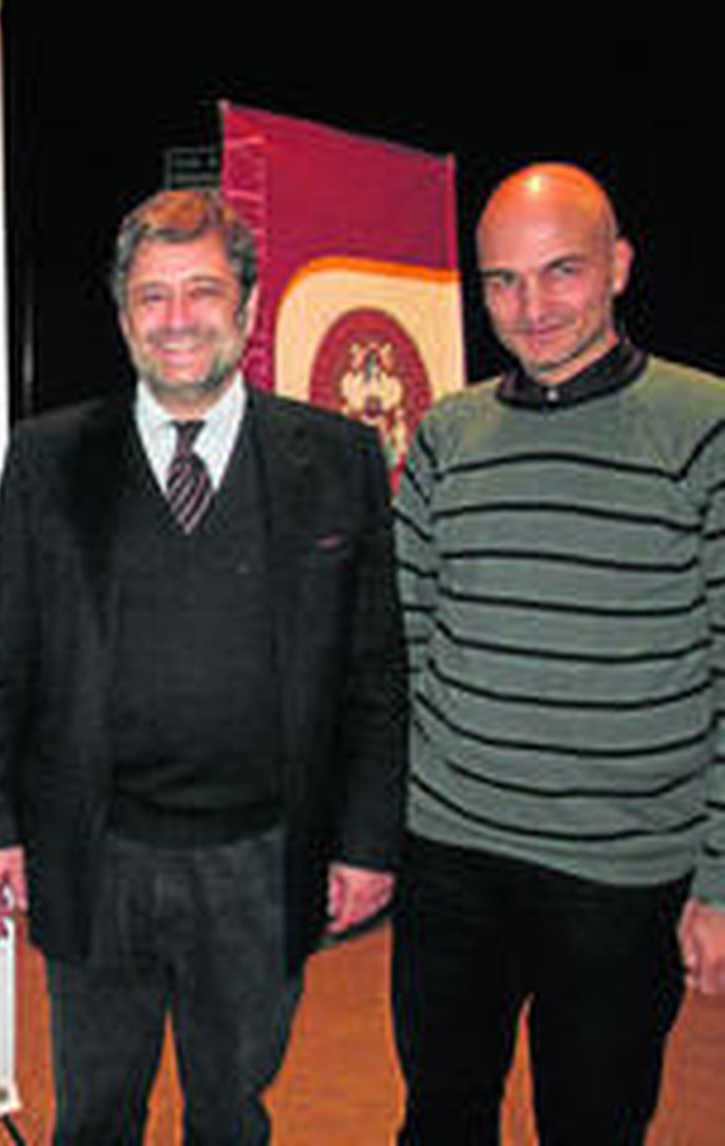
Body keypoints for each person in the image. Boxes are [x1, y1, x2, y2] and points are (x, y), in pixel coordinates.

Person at [0, 188, 407, 1143]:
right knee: (93, 1113)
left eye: (202, 292)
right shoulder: (48, 458)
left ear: (246, 308)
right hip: (95, 853)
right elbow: (8, 657)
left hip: (261, 859)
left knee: (231, 1110)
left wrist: (368, 842)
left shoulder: (338, 459)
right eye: (151, 296)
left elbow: (376, 672)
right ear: (122, 314)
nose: (177, 321)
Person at [392, 162, 725, 1144]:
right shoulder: (448, 431)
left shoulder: (704, 427)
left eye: (560, 272)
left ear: (618, 267)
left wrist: (719, 879)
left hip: (620, 878)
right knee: (441, 1120)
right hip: (449, 858)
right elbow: (403, 642)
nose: (529, 307)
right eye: (501, 280)